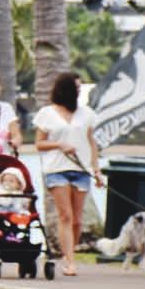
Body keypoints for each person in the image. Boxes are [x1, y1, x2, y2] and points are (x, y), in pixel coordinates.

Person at [35, 71, 100, 277]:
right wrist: (59, 144)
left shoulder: (86, 113)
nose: (78, 92)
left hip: (81, 169)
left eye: (80, 89)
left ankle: (68, 252)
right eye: (75, 89)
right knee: (65, 215)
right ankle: (70, 260)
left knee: (77, 219)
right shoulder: (47, 113)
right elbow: (39, 143)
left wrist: (96, 169)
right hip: (56, 168)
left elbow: (91, 142)